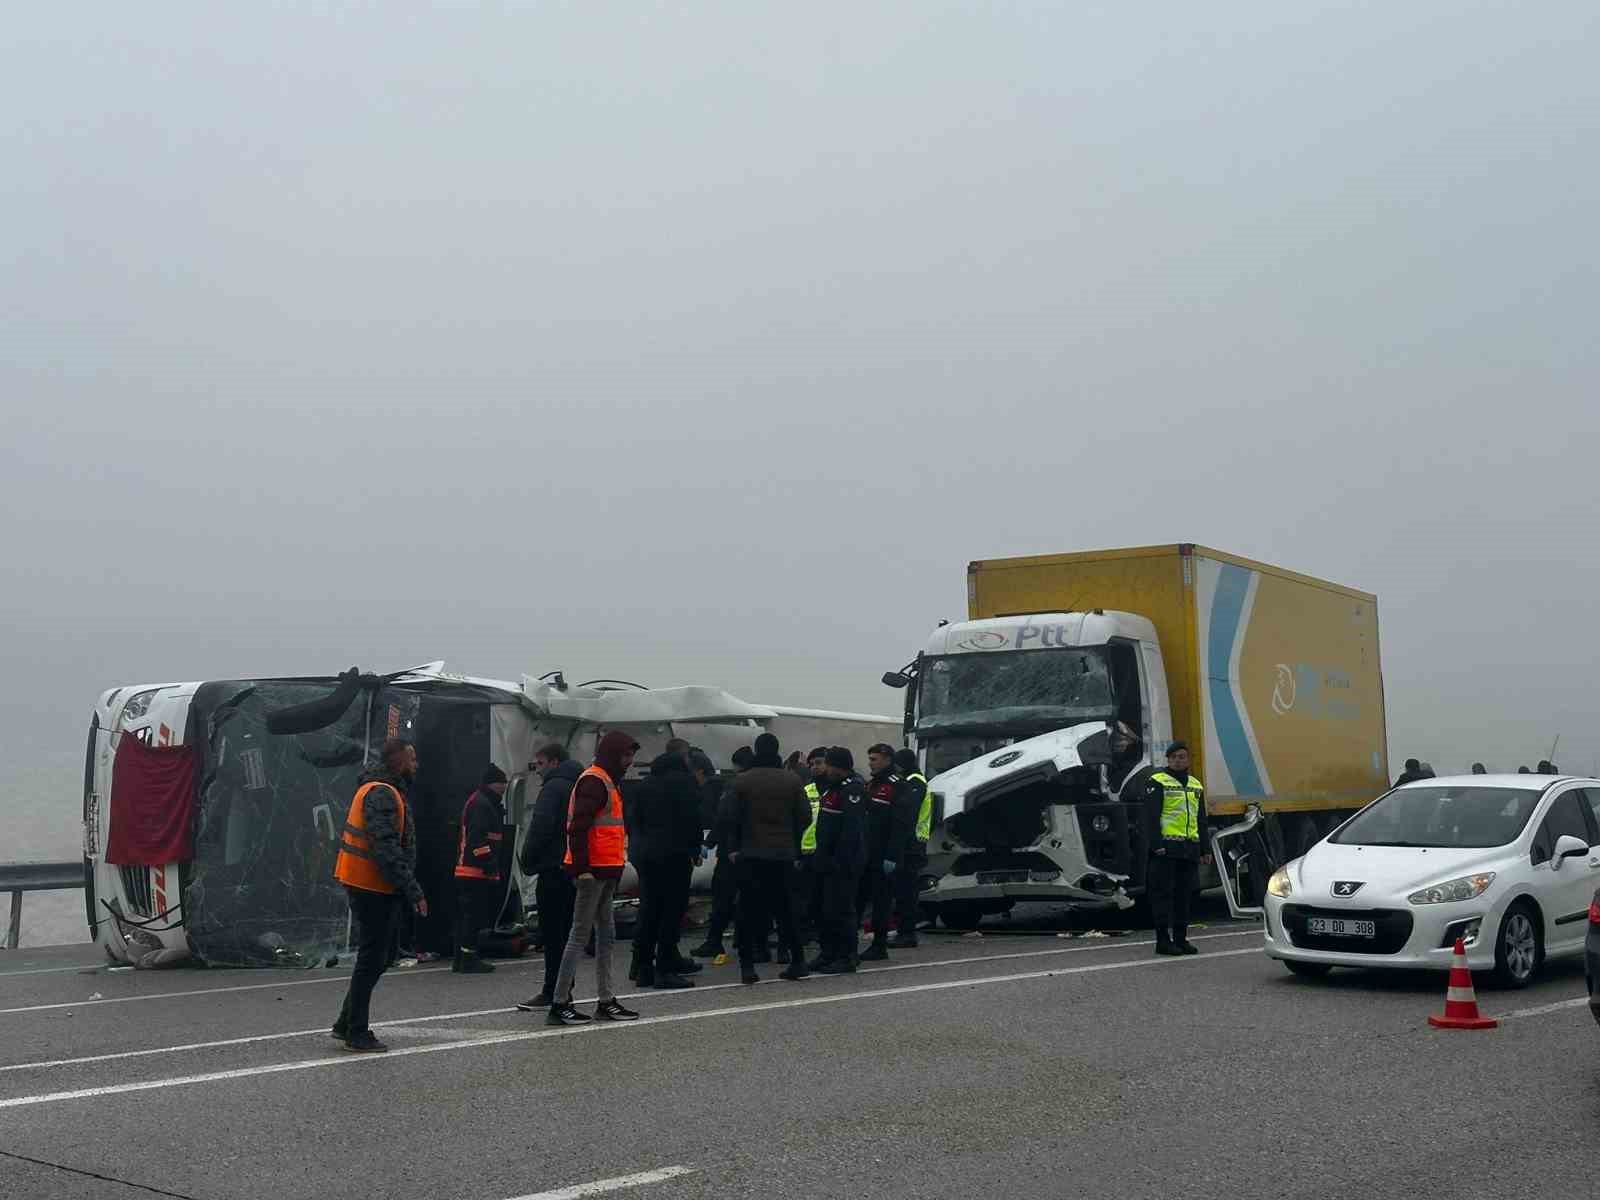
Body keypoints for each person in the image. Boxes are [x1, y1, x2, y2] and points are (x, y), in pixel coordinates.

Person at [331, 739, 428, 1053]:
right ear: (399, 761)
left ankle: (347, 1023)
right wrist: (412, 889)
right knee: (372, 958)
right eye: (412, 759)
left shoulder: (382, 789)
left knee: (380, 956)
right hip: (371, 886)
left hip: (372, 884)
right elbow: (385, 846)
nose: (416, 765)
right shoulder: (382, 793)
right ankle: (355, 1031)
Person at [547, 732, 642, 1027]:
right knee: (581, 935)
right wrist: (582, 869)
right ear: (614, 754)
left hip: (605, 870)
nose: (629, 762)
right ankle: (560, 1002)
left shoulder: (605, 780)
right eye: (626, 756)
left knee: (605, 936)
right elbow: (577, 828)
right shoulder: (596, 781)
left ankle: (605, 1000)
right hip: (594, 873)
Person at [724, 732, 812, 984]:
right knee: (786, 909)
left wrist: (736, 845)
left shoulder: (741, 781)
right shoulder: (792, 780)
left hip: (750, 854)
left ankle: (748, 966)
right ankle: (797, 961)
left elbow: (729, 817)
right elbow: (805, 816)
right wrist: (791, 840)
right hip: (783, 854)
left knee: (749, 909)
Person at [627, 739, 705, 989]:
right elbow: (692, 819)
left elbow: (633, 820)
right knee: (672, 912)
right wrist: (695, 850)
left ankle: (641, 967)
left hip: (646, 856)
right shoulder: (684, 783)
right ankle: (664, 969)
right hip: (675, 856)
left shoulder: (645, 784)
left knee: (649, 910)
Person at [515, 744, 581, 1011]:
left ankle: (553, 990)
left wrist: (527, 861)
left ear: (554, 762)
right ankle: (563, 988)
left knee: (554, 935)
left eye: (540, 764)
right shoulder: (578, 786)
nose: (538, 770)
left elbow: (540, 827)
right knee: (568, 933)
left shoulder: (553, 789)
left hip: (552, 870)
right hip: (573, 868)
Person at [1142, 741, 1209, 957]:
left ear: (1188, 760)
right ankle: (1163, 941)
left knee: (1184, 896)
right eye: (1174, 757)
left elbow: (1201, 819)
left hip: (1188, 848)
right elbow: (1151, 817)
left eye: (1182, 757)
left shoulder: (1195, 785)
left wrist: (1205, 849)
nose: (1179, 760)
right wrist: (1156, 845)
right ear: (1168, 760)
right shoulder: (1157, 781)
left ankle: (1181, 940)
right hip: (1166, 849)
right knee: (1163, 896)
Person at [811, 747, 868, 974]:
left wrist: (840, 860)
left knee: (842, 910)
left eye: (830, 765)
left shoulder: (852, 789)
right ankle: (828, 953)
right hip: (827, 859)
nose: (827, 769)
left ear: (840, 767)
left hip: (844, 861)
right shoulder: (831, 788)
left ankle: (847, 956)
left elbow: (851, 830)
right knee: (825, 910)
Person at [693, 746, 754, 958]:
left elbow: (723, 819)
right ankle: (750, 942)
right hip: (756, 850)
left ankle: (714, 941)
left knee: (722, 898)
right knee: (751, 899)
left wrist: (709, 844)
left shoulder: (735, 786)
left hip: (730, 851)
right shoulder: (769, 784)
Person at [452, 764, 508, 974]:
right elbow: (477, 841)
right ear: (493, 784)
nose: (503, 790)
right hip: (474, 871)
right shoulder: (483, 805)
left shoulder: (480, 802)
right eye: (502, 785)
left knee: (467, 916)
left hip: (468, 870)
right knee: (473, 917)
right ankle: (468, 958)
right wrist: (490, 864)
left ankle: (461, 958)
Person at [857, 743, 903, 961]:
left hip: (883, 853)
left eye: (874, 759)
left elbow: (900, 824)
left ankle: (879, 944)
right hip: (867, 851)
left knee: (881, 902)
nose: (870, 763)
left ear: (887, 759)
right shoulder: (872, 785)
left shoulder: (896, 786)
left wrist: (892, 855)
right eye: (870, 759)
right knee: (861, 898)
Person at [889, 748, 931, 948]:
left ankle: (907, 933)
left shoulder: (914, 782)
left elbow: (908, 814)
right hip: (912, 843)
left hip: (911, 845)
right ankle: (905, 930)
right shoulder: (914, 780)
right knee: (905, 890)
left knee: (907, 891)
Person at [790, 746, 829, 944]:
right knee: (805, 896)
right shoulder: (807, 790)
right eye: (812, 764)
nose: (815, 767)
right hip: (806, 852)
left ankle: (820, 929)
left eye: (819, 763)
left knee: (823, 896)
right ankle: (805, 930)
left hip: (826, 852)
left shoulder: (836, 790)